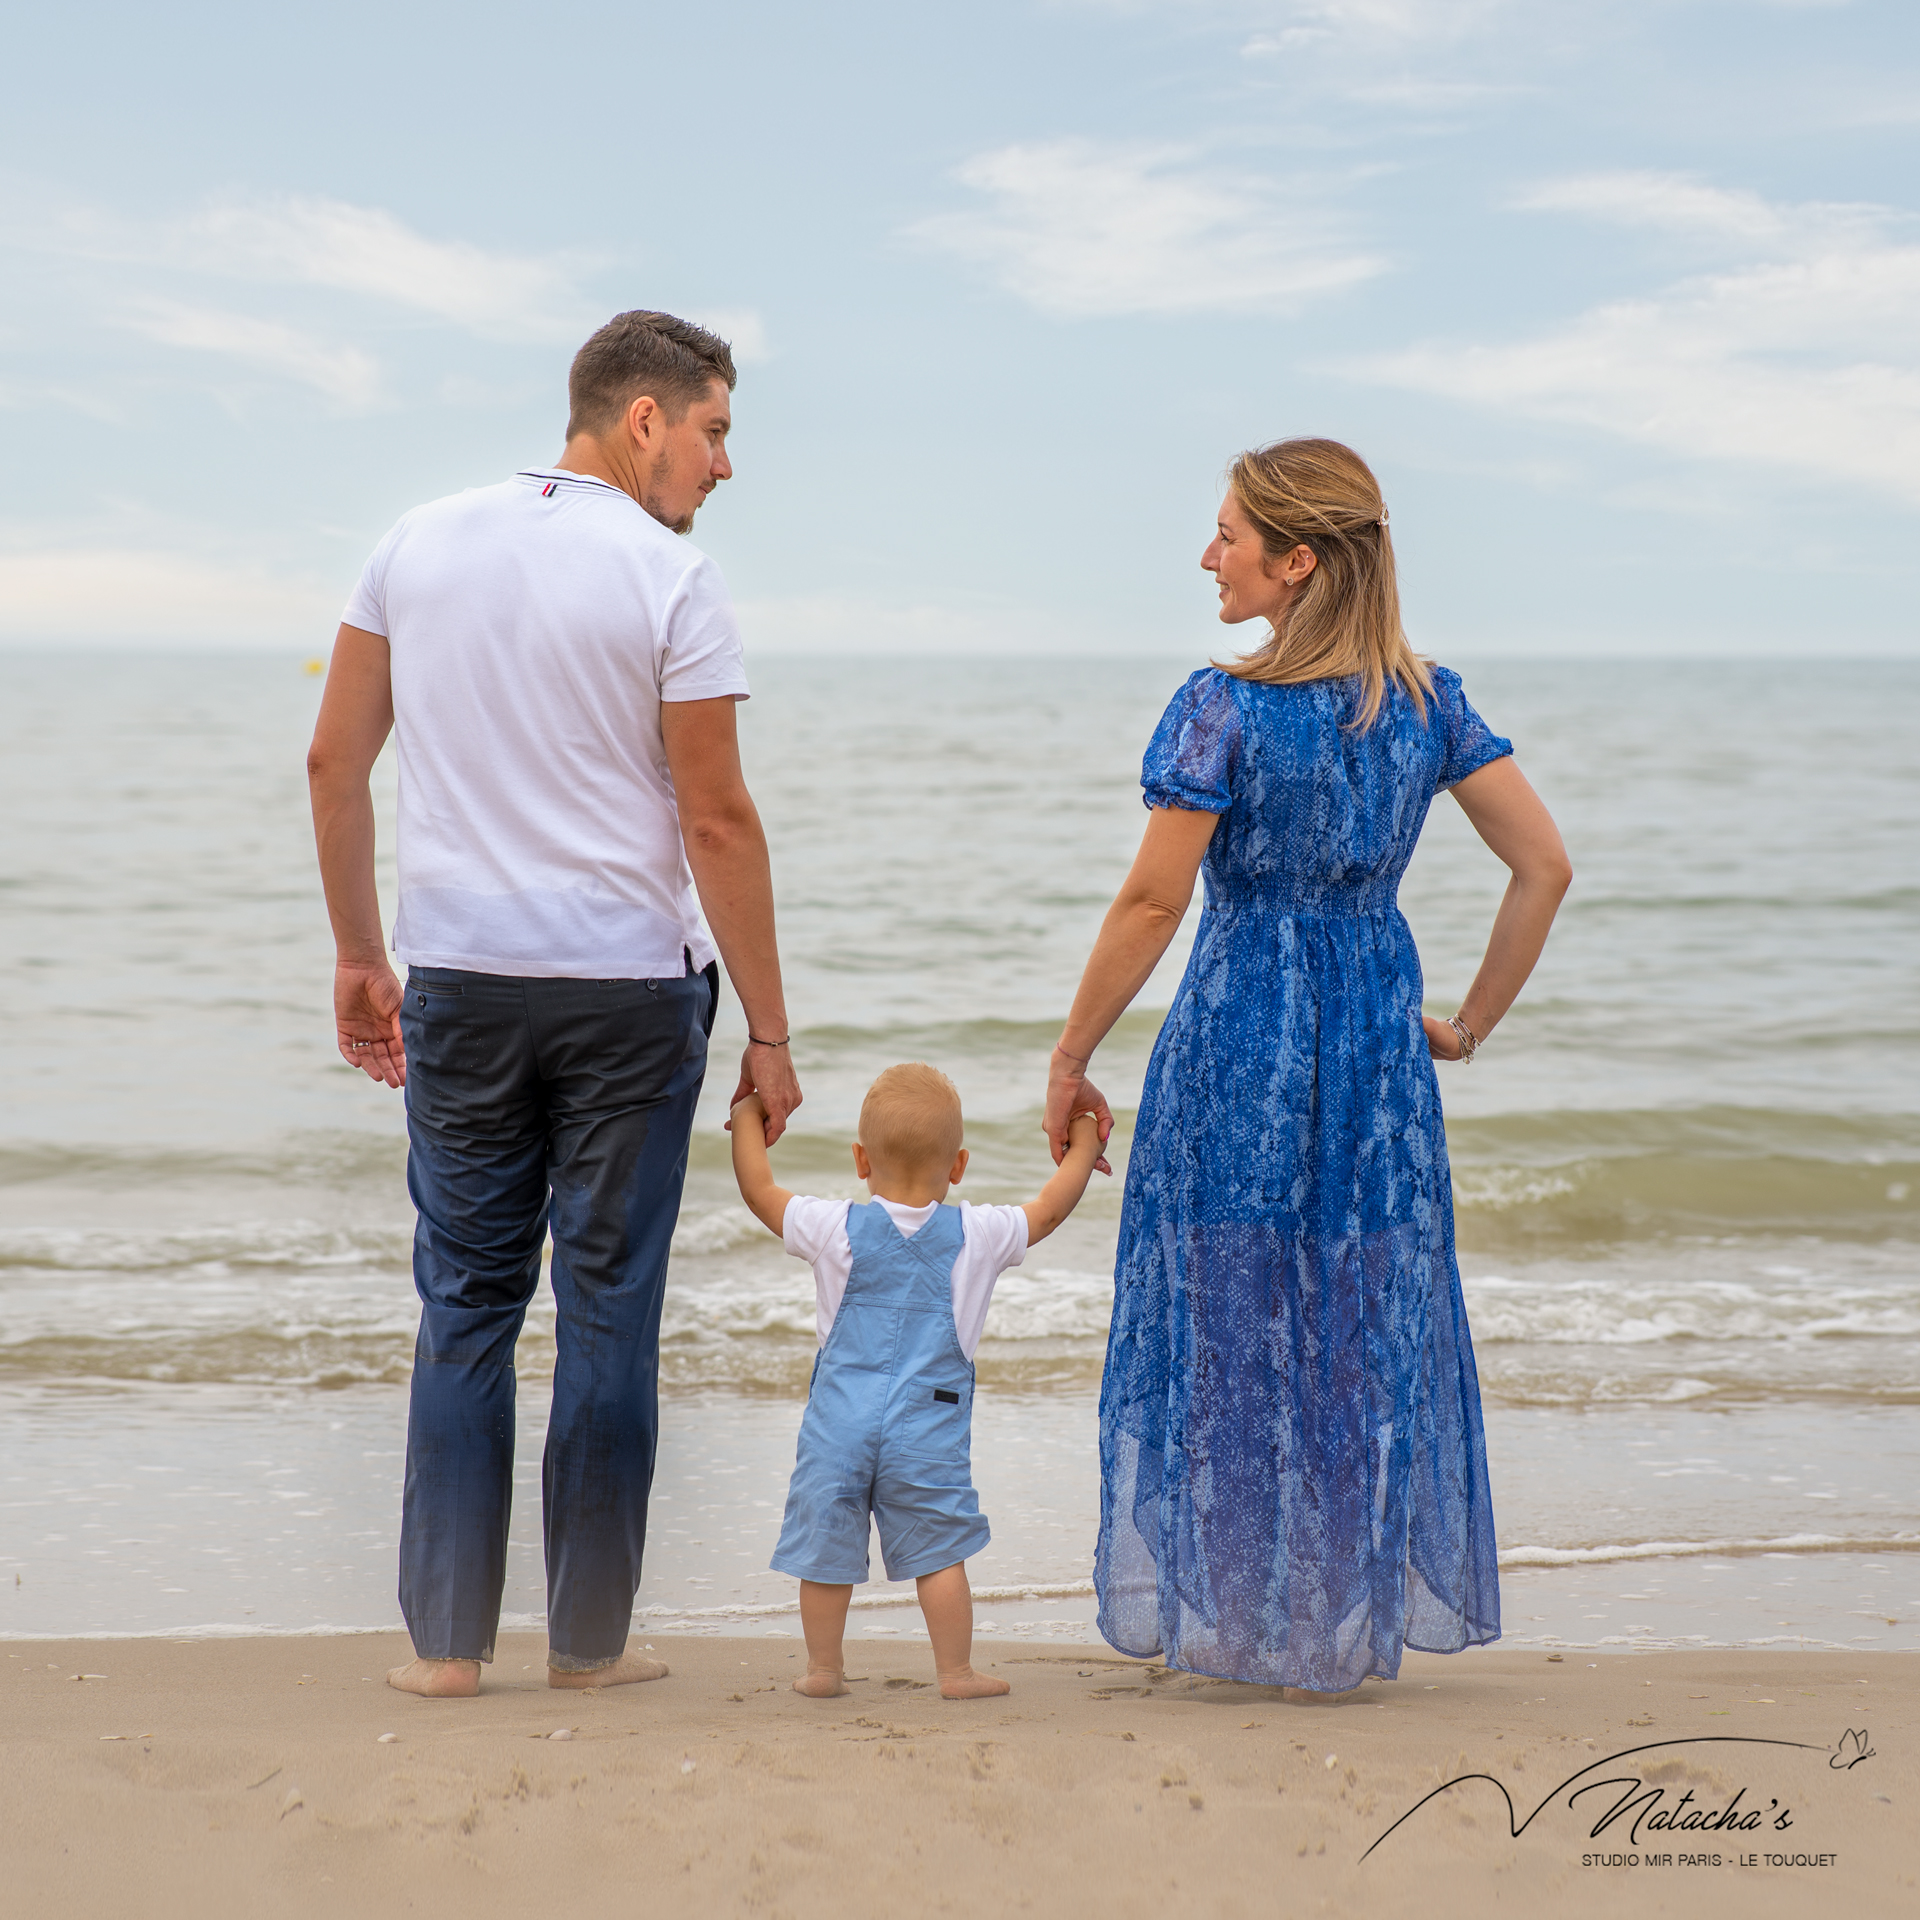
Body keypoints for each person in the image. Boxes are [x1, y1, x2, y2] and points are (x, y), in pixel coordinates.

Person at [306, 310, 802, 1700]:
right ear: (642, 421)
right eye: (712, 432)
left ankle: (447, 1652)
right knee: (606, 1308)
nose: (720, 467)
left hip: (461, 980)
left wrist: (361, 953)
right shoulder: (672, 579)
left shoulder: (413, 541)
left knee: (464, 1301)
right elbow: (717, 819)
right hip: (632, 995)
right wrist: (768, 1030)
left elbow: (335, 762)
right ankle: (588, 1645)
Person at [1043, 438, 1571, 1695]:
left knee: (1230, 1322)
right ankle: (1336, 1624)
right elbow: (1543, 867)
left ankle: (1236, 1628)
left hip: (1238, 1041)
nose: (1208, 556)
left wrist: (1070, 1053)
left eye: (1228, 535)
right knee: (1354, 1326)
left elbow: (1154, 902)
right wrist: (1470, 1024)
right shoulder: (1427, 702)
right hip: (1376, 1052)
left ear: (1298, 560)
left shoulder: (1225, 705)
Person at [730, 1065, 1104, 1700]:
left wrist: (747, 1111)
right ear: (957, 1166)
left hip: (838, 1423)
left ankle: (824, 1669)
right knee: (938, 1549)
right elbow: (1049, 1208)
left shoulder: (829, 1227)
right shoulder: (978, 1236)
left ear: (859, 1159)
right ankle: (955, 1673)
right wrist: (1086, 1137)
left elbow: (758, 1188)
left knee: (826, 1545)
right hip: (926, 1427)